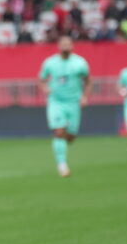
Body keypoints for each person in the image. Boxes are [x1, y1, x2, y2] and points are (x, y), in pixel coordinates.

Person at [38, 36, 89, 178]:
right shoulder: (50, 62)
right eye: (63, 44)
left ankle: (62, 145)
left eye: (68, 44)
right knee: (59, 131)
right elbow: (41, 79)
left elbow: (88, 80)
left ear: (72, 46)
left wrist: (85, 97)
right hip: (56, 101)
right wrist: (45, 88)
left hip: (74, 102)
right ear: (58, 46)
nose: (65, 46)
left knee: (70, 136)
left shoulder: (80, 63)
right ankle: (62, 165)